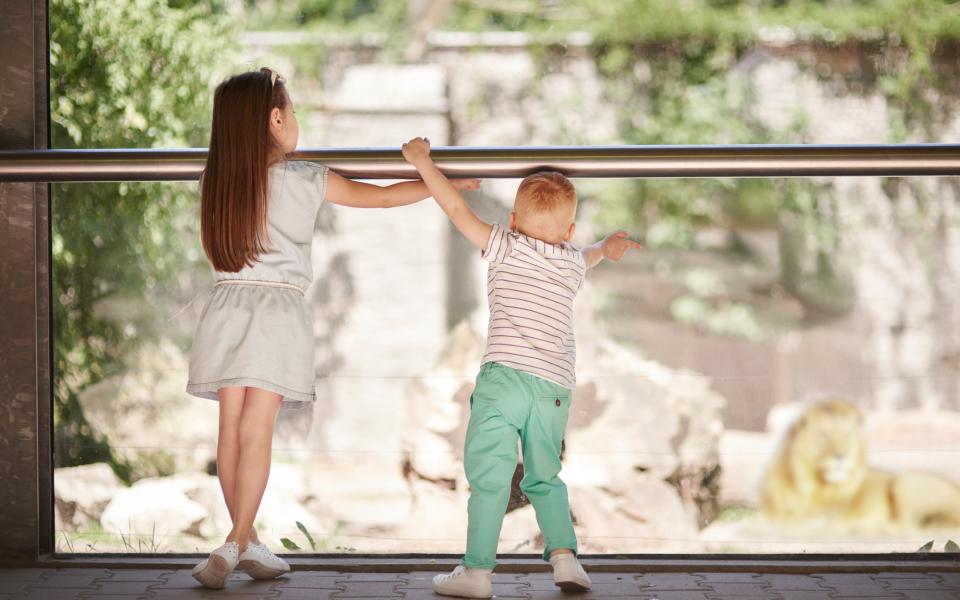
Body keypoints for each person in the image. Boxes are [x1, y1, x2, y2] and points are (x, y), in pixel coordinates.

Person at [187, 70, 478, 590]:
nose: (296, 120)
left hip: (225, 307)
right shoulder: (305, 178)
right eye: (292, 111)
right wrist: (443, 182)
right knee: (258, 432)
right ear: (276, 119)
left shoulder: (216, 182)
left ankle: (246, 542)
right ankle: (234, 540)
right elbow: (384, 196)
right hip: (278, 314)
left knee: (230, 429)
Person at [401, 137, 642, 598]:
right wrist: (605, 247)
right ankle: (565, 558)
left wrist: (423, 162)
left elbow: (455, 209)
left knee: (490, 475)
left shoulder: (504, 246)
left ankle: (476, 572)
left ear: (512, 222)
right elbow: (589, 257)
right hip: (552, 387)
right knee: (544, 475)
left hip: (504, 380)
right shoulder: (572, 262)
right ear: (568, 232)